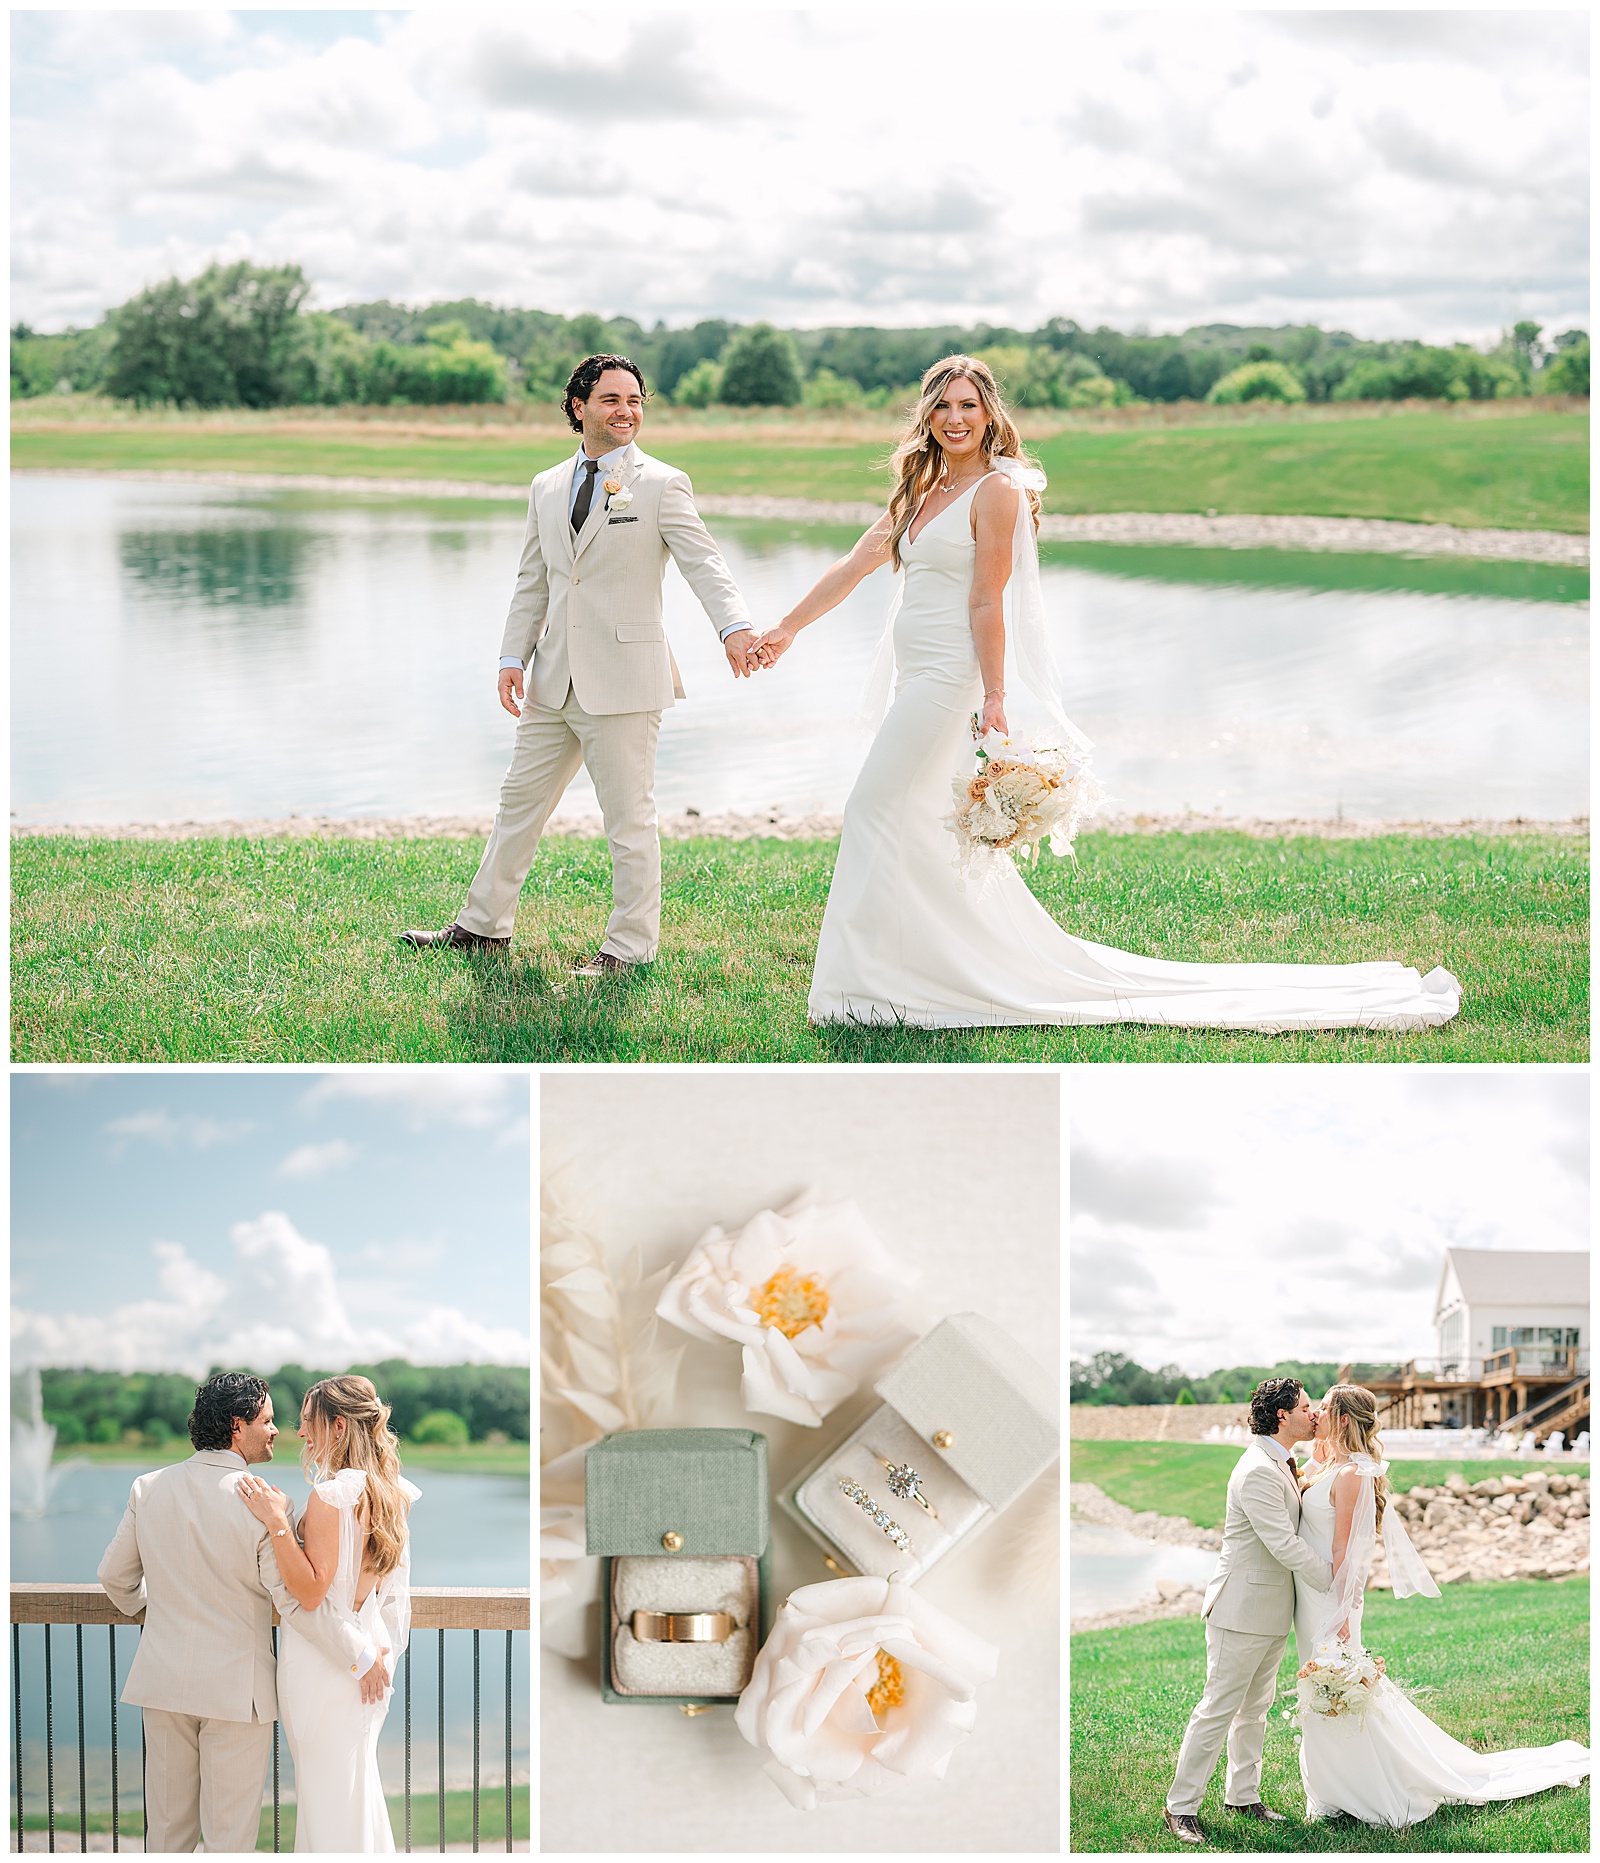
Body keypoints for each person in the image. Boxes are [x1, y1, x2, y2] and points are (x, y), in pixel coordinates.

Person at [749, 355, 1462, 1032]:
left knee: (871, 805)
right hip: (916, 674)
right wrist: (784, 629)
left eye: (969, 405)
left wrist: (994, 698)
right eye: (943, 406)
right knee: (913, 823)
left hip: (946, 680)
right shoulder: (921, 489)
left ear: (990, 414)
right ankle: (903, 977)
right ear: (927, 414)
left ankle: (864, 987)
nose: (955, 418)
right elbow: (856, 563)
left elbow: (986, 603)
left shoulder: (996, 490)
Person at [401, 352, 756, 976]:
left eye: (635, 401)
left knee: (628, 821)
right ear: (579, 407)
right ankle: (483, 928)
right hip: (551, 679)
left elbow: (705, 563)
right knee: (518, 806)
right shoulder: (545, 485)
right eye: (612, 400)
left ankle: (629, 948)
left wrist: (734, 627)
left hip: (624, 679)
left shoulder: (662, 483)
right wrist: (513, 655)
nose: (627, 412)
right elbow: (532, 580)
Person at [97, 1373, 387, 1855]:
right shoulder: (264, 1502)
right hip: (238, 1696)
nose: (278, 1431)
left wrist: (156, 1611)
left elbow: (114, 1578)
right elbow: (296, 1603)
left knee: (166, 1836)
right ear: (238, 1426)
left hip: (162, 1683)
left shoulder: (148, 1488)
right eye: (269, 1421)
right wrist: (358, 1655)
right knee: (230, 1841)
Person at [1290, 1384, 1589, 1827]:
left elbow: (1346, 1553)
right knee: (1324, 1686)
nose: (1314, 1414)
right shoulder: (1331, 1463)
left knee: (1335, 1686)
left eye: (1324, 1409)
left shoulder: (1353, 1474)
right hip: (1311, 1596)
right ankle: (1335, 1787)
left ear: (1345, 1419)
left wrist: (1341, 1618)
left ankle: (1364, 1789)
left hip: (1329, 1600)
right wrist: (1311, 1456)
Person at [237, 1375, 421, 1853]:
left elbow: (312, 1593)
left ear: (338, 1427)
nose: (300, 1434)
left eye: (307, 1423)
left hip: (324, 1665)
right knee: (353, 1788)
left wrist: (277, 1522)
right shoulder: (391, 1493)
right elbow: (395, 1598)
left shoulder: (331, 1496)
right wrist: (378, 1654)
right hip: (368, 1656)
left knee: (327, 1798)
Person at [1163, 1378, 1331, 1844]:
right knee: (1218, 1709)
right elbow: (1281, 1542)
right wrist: (1333, 1577)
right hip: (1240, 1608)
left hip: (1271, 1609)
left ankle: (1243, 1795)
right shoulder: (1257, 1469)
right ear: (1283, 1415)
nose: (1313, 1413)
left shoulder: (1281, 1461)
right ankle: (1180, 1808)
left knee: (1254, 1710)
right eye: (1306, 1406)